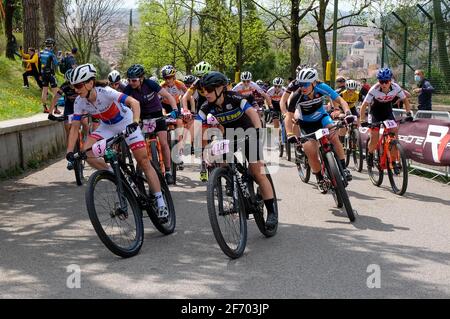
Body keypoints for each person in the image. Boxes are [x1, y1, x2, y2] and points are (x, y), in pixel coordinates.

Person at [65, 63, 170, 221]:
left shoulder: (106, 92)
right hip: (107, 126)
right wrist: (69, 152)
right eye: (74, 86)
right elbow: (74, 128)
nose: (76, 89)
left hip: (126, 122)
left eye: (78, 85)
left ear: (90, 83)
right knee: (86, 153)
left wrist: (135, 122)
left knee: (143, 160)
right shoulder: (79, 102)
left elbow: (134, 103)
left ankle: (160, 202)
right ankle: (115, 174)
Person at [194, 71, 278, 230]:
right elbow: (197, 124)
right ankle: (234, 187)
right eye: (204, 90)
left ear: (220, 89)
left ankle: (271, 211)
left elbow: (252, 113)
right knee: (220, 161)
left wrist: (258, 131)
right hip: (229, 137)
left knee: (257, 171)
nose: (206, 93)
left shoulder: (235, 98)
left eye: (210, 90)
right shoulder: (206, 106)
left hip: (248, 133)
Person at [285, 68, 354, 193]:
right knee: (311, 151)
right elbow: (288, 116)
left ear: (314, 83)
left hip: (322, 118)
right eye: (300, 84)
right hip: (306, 123)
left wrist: (348, 113)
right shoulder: (297, 95)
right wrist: (290, 133)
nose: (303, 87)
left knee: (334, 136)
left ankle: (343, 168)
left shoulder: (321, 87)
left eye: (306, 84)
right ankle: (320, 178)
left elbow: (340, 100)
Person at [123, 64, 179, 185]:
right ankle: (139, 171)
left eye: (134, 80)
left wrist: (175, 109)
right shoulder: (129, 88)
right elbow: (121, 103)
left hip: (157, 114)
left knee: (164, 143)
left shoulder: (150, 84)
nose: (131, 82)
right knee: (140, 146)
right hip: (141, 117)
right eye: (129, 80)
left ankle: (168, 171)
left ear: (141, 79)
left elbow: (168, 96)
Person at [359, 68, 412, 174]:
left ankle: (394, 160)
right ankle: (369, 154)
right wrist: (362, 120)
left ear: (390, 81)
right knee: (374, 139)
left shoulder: (396, 87)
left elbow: (405, 100)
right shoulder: (374, 89)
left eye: (386, 81)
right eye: (381, 81)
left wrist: (408, 113)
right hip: (375, 113)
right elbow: (364, 105)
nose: (383, 84)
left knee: (394, 131)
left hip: (387, 111)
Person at [39, 38, 59, 113]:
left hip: (43, 73)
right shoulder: (51, 54)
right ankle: (55, 109)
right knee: (55, 92)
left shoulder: (40, 53)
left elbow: (38, 63)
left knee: (44, 91)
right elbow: (56, 63)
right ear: (52, 45)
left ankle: (45, 108)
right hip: (50, 74)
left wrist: (40, 74)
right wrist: (59, 59)